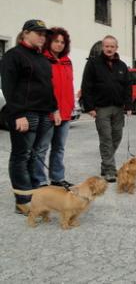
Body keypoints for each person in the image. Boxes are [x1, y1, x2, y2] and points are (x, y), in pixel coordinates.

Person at [0, 20, 58, 215]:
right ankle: (23, 200)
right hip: (25, 114)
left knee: (36, 156)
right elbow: (9, 87)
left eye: (44, 34)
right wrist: (17, 114)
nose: (42, 37)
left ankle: (36, 197)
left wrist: (55, 109)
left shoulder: (43, 59)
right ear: (25, 33)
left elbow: (48, 87)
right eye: (38, 33)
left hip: (44, 114)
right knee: (21, 156)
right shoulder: (13, 55)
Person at [80, 35, 132, 182]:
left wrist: (128, 105)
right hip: (101, 108)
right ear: (103, 47)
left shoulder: (122, 66)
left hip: (118, 108)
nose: (109, 49)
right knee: (106, 139)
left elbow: (128, 86)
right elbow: (86, 86)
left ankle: (105, 164)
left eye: (112, 46)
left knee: (117, 136)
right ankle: (109, 169)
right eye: (106, 46)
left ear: (116, 48)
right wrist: (89, 107)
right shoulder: (93, 64)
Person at [32, 28, 75, 188]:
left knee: (59, 148)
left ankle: (57, 178)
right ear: (49, 41)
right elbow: (43, 88)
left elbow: (69, 86)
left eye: (62, 42)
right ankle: (39, 180)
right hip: (48, 112)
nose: (59, 44)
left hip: (65, 112)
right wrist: (51, 109)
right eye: (56, 41)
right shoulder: (42, 59)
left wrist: (71, 106)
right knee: (41, 148)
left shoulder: (67, 61)